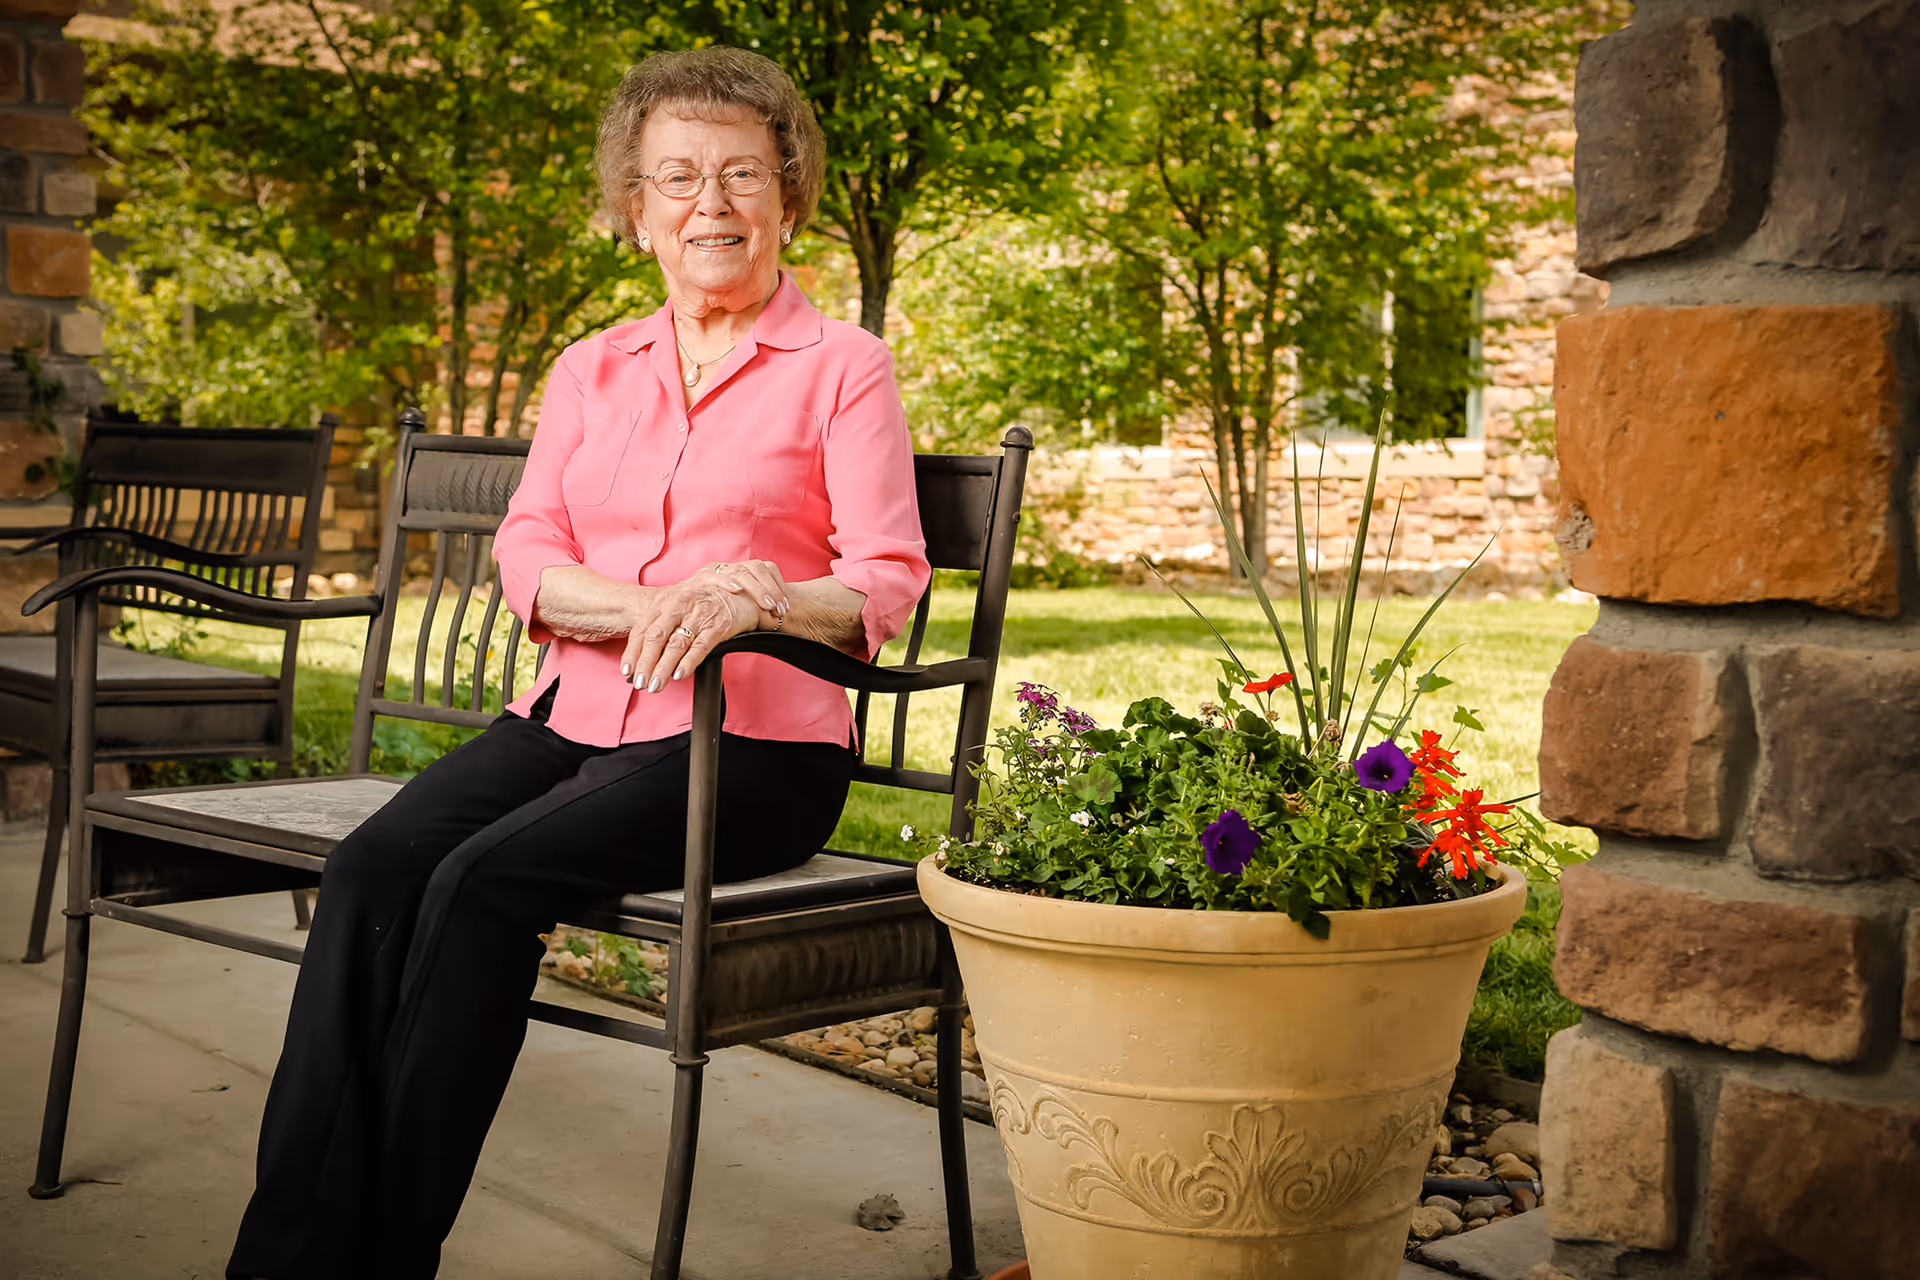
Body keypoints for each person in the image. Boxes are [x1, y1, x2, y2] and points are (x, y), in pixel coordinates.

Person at [226, 46, 929, 1279]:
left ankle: (367, 1256)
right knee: (376, 867)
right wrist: (652, 600)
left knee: (479, 883)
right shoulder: (592, 366)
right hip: (577, 712)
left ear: (787, 197)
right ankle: (287, 1251)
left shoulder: (844, 369)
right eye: (677, 178)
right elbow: (531, 546)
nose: (710, 204)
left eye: (741, 176)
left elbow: (885, 572)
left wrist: (764, 593)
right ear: (636, 210)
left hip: (751, 744)